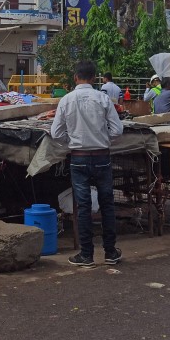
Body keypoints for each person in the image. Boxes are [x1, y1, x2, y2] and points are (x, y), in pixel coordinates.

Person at [50, 59, 124, 267]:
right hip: (101, 156)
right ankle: (110, 252)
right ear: (94, 78)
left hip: (79, 157)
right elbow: (117, 130)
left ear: (75, 77)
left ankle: (86, 254)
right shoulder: (103, 98)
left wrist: (72, 141)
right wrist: (103, 139)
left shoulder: (66, 100)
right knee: (107, 204)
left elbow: (56, 133)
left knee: (83, 206)